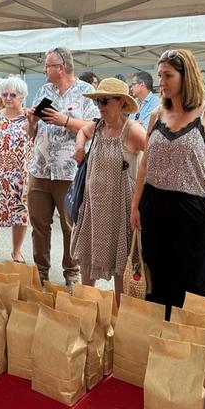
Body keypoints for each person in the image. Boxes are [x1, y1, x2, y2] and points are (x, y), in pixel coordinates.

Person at [131, 50, 205, 318]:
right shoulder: (157, 115)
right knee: (157, 279)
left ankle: (189, 345)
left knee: (192, 281)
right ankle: (157, 338)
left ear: (187, 76)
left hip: (192, 209)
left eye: (168, 75)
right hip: (155, 205)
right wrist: (135, 205)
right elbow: (145, 164)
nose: (161, 81)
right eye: (160, 75)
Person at [26, 47, 99, 284]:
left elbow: (95, 127)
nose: (44, 70)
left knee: (70, 227)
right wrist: (32, 121)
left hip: (69, 172)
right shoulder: (44, 90)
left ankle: (72, 273)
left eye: (47, 66)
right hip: (40, 170)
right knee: (39, 226)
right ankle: (41, 273)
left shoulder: (86, 92)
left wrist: (64, 120)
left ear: (60, 67)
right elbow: (31, 134)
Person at [70, 78, 146, 302]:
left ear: (121, 102)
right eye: (97, 102)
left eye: (104, 101)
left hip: (120, 207)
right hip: (94, 206)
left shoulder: (132, 130)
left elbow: (152, 155)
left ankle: (118, 320)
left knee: (120, 266)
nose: (99, 106)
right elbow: (82, 132)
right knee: (87, 258)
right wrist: (79, 147)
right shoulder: (98, 126)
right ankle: (87, 312)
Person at [0, 76, 33, 264]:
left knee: (21, 217)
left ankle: (16, 251)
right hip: (0, 174)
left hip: (22, 176)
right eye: (4, 94)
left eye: (13, 94)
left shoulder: (30, 117)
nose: (8, 98)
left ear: (22, 96)